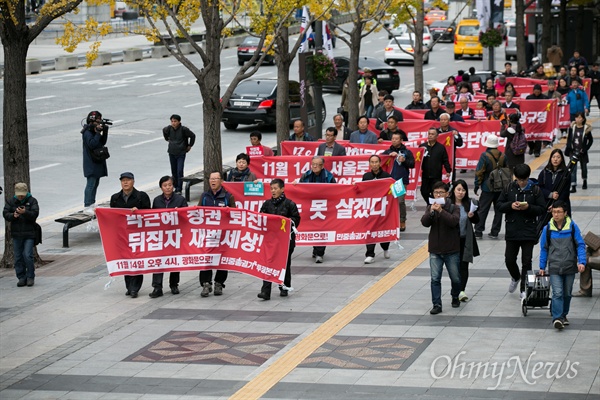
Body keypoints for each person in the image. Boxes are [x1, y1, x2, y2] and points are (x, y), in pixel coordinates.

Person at [497, 164, 546, 299]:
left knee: (526, 261)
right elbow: (499, 205)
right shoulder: (509, 188)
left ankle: (524, 288)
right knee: (509, 259)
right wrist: (510, 205)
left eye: (523, 180)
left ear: (528, 178)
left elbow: (542, 208)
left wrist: (529, 207)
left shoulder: (535, 190)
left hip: (528, 229)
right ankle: (515, 276)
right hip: (512, 229)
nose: (521, 182)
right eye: (519, 179)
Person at [539, 201, 586, 330]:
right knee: (557, 293)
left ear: (565, 213)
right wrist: (542, 267)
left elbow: (580, 245)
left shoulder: (572, 227)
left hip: (569, 265)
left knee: (567, 293)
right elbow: (544, 248)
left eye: (559, 212)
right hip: (554, 266)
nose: (556, 214)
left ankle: (564, 315)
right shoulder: (547, 229)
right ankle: (557, 317)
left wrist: (582, 262)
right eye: (554, 212)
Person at [421, 181, 461, 314]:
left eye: (440, 193)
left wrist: (441, 211)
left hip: (451, 249)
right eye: (435, 192)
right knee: (435, 278)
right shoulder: (430, 206)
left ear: (447, 194)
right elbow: (425, 223)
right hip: (435, 249)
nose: (437, 195)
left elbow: (453, 221)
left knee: (455, 278)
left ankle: (455, 296)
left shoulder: (454, 207)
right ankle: (436, 304)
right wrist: (431, 212)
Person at [257, 179, 301, 300]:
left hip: (285, 242)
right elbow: (261, 218)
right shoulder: (267, 204)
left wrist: (285, 222)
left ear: (282, 189)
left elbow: (296, 220)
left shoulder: (289, 204)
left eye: (275, 188)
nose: (273, 191)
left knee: (284, 264)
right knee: (267, 264)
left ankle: (284, 286)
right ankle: (265, 291)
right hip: (270, 241)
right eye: (271, 189)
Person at [110, 172, 151, 298]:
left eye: (128, 180)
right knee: (126, 260)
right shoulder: (115, 198)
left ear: (133, 181)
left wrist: (139, 212)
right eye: (123, 181)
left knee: (137, 260)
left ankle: (135, 288)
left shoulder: (141, 196)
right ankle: (128, 286)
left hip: (138, 234)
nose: (125, 183)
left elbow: (149, 214)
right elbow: (112, 215)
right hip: (123, 235)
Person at [149, 176, 188, 298]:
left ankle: (174, 284)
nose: (168, 187)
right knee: (158, 261)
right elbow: (151, 217)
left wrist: (180, 213)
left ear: (173, 186)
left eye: (170, 185)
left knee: (174, 260)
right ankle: (157, 287)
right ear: (161, 187)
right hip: (160, 236)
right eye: (165, 185)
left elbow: (188, 217)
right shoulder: (156, 201)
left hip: (175, 235)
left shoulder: (180, 199)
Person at [198, 171, 236, 297]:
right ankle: (206, 284)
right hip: (207, 234)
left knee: (222, 258)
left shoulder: (228, 196)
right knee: (206, 258)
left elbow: (234, 214)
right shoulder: (204, 196)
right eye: (211, 179)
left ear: (221, 181)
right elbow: (197, 212)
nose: (213, 181)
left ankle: (219, 283)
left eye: (216, 178)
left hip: (223, 235)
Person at [298, 156, 336, 263]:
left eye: (317, 164)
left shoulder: (329, 176)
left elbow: (336, 190)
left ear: (322, 166)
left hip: (324, 207)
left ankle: (320, 253)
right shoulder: (306, 175)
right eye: (313, 164)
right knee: (313, 227)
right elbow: (300, 188)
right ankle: (316, 249)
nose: (315, 166)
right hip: (310, 206)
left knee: (322, 228)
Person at [3, 183, 39, 287]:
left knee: (27, 255)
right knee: (18, 257)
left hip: (29, 233)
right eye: (19, 195)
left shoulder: (32, 201)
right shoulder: (11, 201)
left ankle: (30, 276)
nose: (21, 196)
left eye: (22, 194)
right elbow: (5, 213)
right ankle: (21, 277)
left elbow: (35, 214)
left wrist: (25, 212)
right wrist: (13, 215)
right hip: (16, 234)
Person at [450, 179, 479, 302]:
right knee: (453, 267)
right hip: (451, 241)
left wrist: (473, 217)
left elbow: (477, 220)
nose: (461, 192)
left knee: (464, 265)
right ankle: (455, 290)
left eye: (463, 190)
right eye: (458, 189)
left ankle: (461, 291)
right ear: (454, 190)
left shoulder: (470, 204)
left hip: (465, 239)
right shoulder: (448, 205)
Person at [362, 155, 393, 264]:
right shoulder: (366, 176)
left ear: (380, 163)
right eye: (372, 162)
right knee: (370, 230)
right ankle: (370, 254)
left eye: (376, 162)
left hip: (383, 208)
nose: (374, 164)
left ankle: (385, 248)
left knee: (383, 230)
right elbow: (362, 190)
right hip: (370, 209)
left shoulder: (386, 176)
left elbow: (393, 190)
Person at [473, 134, 505, 239]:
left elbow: (479, 171)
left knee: (483, 209)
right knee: (498, 210)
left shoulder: (485, 155)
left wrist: (477, 184)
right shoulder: (503, 156)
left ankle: (478, 231)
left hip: (487, 188)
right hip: (500, 187)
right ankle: (495, 232)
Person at [383, 132, 415, 232]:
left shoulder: (406, 152)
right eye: (393, 138)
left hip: (400, 181)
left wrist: (403, 160)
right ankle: (390, 221)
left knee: (400, 201)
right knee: (389, 202)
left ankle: (402, 221)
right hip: (388, 181)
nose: (394, 140)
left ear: (401, 140)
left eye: (396, 139)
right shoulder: (387, 152)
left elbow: (412, 164)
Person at [163, 114, 196, 194]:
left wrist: (189, 145)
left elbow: (193, 136)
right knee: (174, 171)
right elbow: (164, 132)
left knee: (179, 170)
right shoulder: (168, 129)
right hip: (172, 152)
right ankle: (175, 186)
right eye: (172, 121)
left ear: (179, 122)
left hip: (181, 153)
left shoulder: (184, 129)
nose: (173, 123)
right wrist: (167, 139)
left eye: (175, 121)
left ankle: (179, 188)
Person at [82, 110, 108, 208]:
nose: (99, 123)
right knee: (91, 184)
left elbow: (102, 142)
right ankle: (87, 204)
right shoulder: (87, 132)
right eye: (97, 121)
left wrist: (104, 131)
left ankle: (92, 203)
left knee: (96, 183)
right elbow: (92, 144)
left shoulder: (94, 131)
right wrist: (97, 133)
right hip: (91, 162)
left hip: (97, 161)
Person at [419, 127, 451, 205]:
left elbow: (445, 160)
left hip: (436, 175)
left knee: (436, 192)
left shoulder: (440, 147)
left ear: (437, 136)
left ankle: (434, 205)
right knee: (424, 191)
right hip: (425, 175)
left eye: (433, 134)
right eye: (429, 134)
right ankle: (430, 203)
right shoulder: (423, 147)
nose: (430, 136)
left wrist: (448, 170)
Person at [537, 149, 571, 216]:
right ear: (550, 159)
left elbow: (565, 192)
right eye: (553, 157)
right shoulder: (544, 172)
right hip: (547, 204)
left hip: (561, 206)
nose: (555, 159)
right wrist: (550, 194)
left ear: (561, 159)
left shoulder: (566, 173)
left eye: (558, 157)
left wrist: (555, 205)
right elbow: (539, 188)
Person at [565, 112, 593, 193]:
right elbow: (569, 138)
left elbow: (590, 141)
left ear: (583, 119)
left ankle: (584, 180)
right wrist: (569, 147)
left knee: (583, 167)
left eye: (580, 117)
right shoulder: (572, 128)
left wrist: (585, 149)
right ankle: (573, 185)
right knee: (572, 169)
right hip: (573, 152)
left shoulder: (586, 129)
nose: (578, 119)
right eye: (577, 117)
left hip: (582, 153)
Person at [437, 113, 463, 182]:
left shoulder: (453, 131)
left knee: (450, 176)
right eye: (441, 120)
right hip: (437, 157)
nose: (443, 121)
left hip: (449, 157)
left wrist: (456, 136)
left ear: (449, 121)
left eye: (445, 120)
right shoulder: (436, 131)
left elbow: (460, 144)